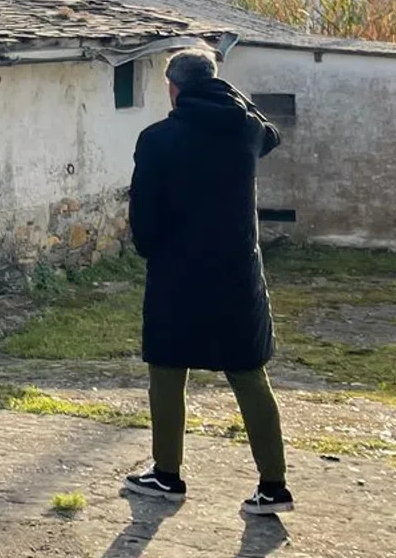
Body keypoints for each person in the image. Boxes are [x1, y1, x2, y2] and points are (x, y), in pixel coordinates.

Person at [123, 47, 292, 515]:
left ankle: (167, 474)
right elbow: (272, 133)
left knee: (166, 370)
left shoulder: (157, 139)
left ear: (172, 88)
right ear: (215, 84)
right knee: (248, 373)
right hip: (236, 271)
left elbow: (144, 214)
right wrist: (227, 93)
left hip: (176, 271)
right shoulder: (246, 129)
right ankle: (274, 486)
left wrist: (150, 249)